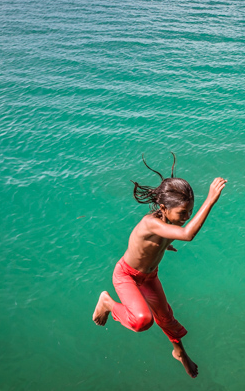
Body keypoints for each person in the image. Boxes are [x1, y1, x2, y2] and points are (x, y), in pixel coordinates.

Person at [92, 156, 226, 378]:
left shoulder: (167, 222)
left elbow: (166, 236)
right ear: (164, 207)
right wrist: (210, 199)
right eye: (183, 213)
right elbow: (187, 234)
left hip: (149, 275)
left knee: (166, 317)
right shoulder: (150, 223)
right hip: (127, 275)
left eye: (189, 212)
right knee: (143, 321)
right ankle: (107, 303)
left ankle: (180, 353)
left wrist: (164, 246)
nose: (186, 217)